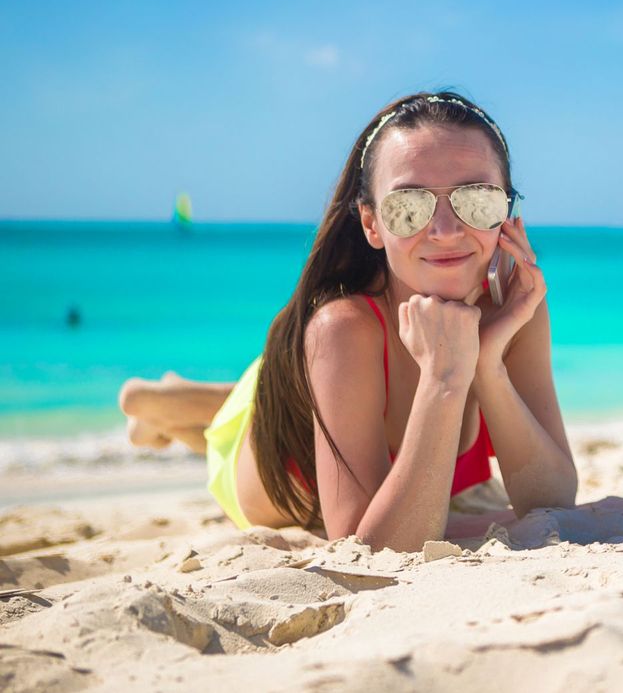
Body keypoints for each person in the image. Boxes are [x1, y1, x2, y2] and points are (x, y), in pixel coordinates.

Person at [119, 92, 577, 551]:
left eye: (476, 199)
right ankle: (154, 402)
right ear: (372, 224)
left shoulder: (515, 306)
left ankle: (176, 407)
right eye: (408, 206)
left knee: (286, 408)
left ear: (509, 213)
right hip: (272, 435)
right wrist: (444, 375)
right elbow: (370, 547)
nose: (446, 229)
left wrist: (488, 363)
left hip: (321, 388)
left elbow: (552, 498)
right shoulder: (342, 329)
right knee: (221, 429)